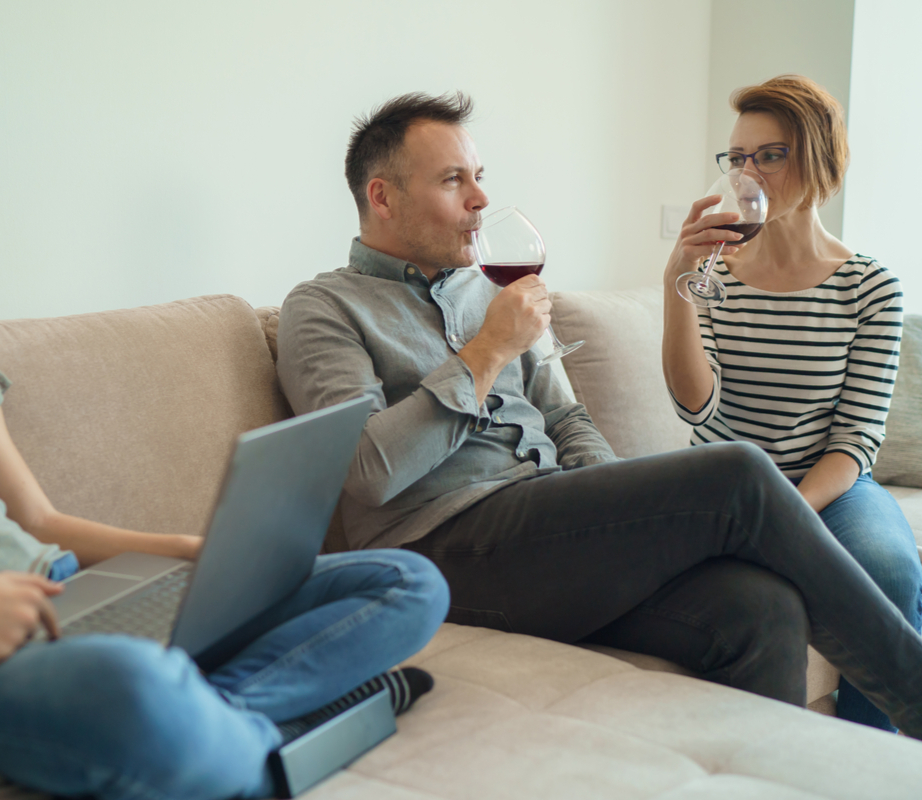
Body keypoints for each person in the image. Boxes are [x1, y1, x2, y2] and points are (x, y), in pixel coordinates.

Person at [0, 108, 450, 800]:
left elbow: (38, 519)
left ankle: (220, 721)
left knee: (408, 582)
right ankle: (276, 734)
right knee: (133, 689)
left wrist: (184, 550)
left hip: (68, 592)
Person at [275, 90, 922, 736]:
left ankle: (761, 777)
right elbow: (366, 471)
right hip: (441, 545)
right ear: (382, 198)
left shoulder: (490, 289)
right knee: (738, 474)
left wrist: (617, 516)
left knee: (763, 607)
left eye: (479, 176)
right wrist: (488, 351)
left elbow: (567, 418)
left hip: (548, 533)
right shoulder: (325, 308)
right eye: (453, 180)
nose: (479, 198)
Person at [661, 74, 921, 732]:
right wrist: (675, 283)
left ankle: (865, 753)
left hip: (827, 486)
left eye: (771, 155)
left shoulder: (870, 287)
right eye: (737, 158)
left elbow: (855, 441)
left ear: (820, 160)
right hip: (726, 488)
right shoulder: (714, 273)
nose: (748, 174)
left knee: (890, 569)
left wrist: (790, 514)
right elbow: (696, 410)